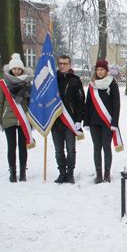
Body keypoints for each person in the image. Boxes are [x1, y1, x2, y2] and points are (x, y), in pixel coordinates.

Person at [0, 54, 33, 182]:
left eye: (19, 69)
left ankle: (22, 172)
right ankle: (12, 171)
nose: (16, 71)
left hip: (24, 119)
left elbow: (32, 102)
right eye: (14, 69)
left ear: (22, 69)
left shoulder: (27, 83)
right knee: (11, 146)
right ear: (10, 69)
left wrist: (32, 120)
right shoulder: (3, 84)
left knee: (23, 146)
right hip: (8, 119)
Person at [84, 59, 121, 183]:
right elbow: (88, 104)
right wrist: (86, 121)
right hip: (94, 122)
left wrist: (115, 122)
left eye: (102, 69)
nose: (100, 72)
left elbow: (116, 104)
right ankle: (99, 174)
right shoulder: (92, 85)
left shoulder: (112, 83)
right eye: (98, 69)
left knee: (106, 147)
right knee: (96, 147)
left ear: (106, 70)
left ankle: (107, 174)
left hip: (107, 122)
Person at [51, 55, 85, 184]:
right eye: (60, 63)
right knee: (58, 150)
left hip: (70, 121)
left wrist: (78, 120)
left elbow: (81, 101)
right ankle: (62, 173)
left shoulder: (75, 81)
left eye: (65, 63)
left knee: (71, 149)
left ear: (70, 65)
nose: (62, 66)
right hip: (55, 121)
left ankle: (70, 173)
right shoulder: (52, 80)